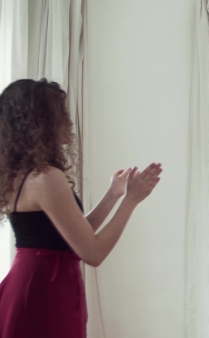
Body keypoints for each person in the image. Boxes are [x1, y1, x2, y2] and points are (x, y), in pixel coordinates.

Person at [0, 78, 162, 338]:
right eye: (60, 113)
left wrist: (113, 195)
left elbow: (72, 235)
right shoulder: (46, 177)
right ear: (40, 121)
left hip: (36, 283)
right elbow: (93, 253)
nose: (69, 121)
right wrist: (131, 200)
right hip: (44, 291)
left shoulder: (21, 174)